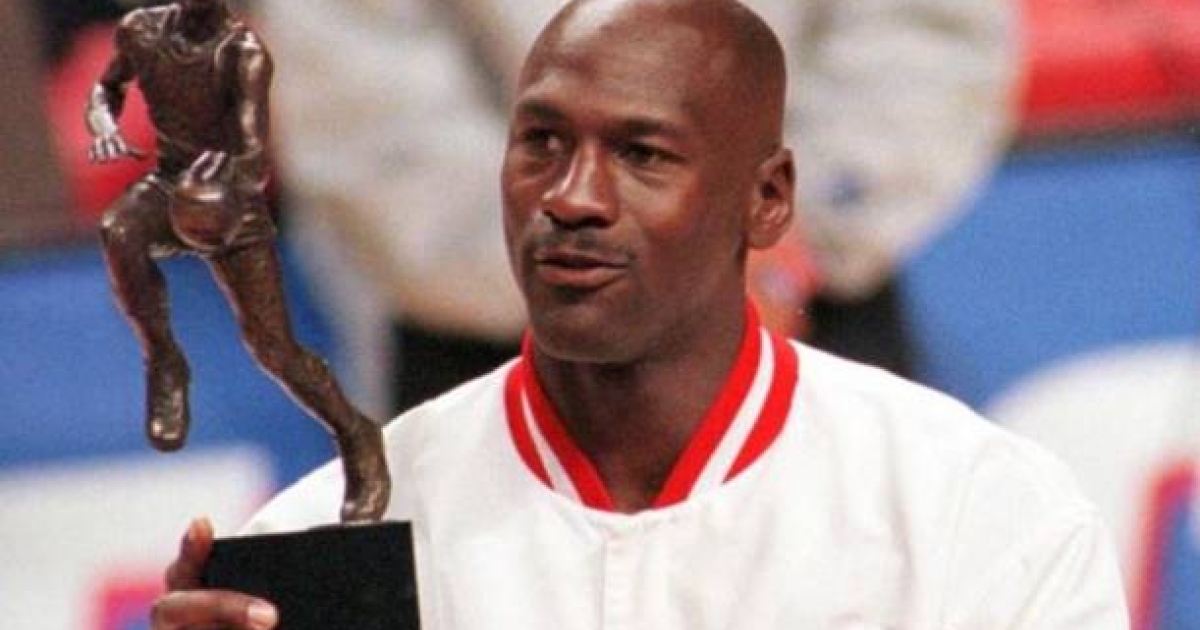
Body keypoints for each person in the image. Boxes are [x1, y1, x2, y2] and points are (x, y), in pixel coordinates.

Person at [149, 0, 1127, 628]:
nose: (573, 197)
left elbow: (928, 38)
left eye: (641, 154)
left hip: (829, 289)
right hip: (452, 323)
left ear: (767, 196)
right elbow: (357, 97)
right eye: (541, 145)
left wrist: (809, 237)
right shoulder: (331, 540)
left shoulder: (983, 514)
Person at [86, 0, 388, 521]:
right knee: (120, 230)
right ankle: (165, 360)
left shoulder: (243, 53)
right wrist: (105, 122)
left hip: (228, 198)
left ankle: (355, 433)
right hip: (169, 184)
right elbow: (107, 86)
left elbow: (254, 155)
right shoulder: (140, 32)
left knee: (275, 350)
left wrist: (219, 187)